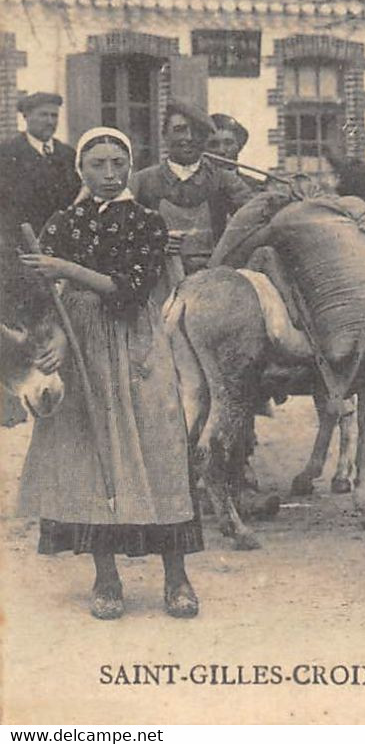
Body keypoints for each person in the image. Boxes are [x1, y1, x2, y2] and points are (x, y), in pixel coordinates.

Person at [17, 127, 203, 620]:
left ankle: (177, 578)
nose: (108, 174)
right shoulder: (63, 222)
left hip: (135, 347)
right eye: (96, 164)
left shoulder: (147, 222)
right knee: (91, 458)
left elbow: (128, 291)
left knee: (155, 452)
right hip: (79, 356)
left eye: (117, 164)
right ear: (80, 169)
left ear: (129, 165)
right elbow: (49, 296)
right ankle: (106, 577)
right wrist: (55, 338)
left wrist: (64, 267)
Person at [129, 103, 254, 274]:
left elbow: (254, 218)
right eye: (180, 129)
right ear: (165, 135)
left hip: (212, 277)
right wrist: (154, 241)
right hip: (156, 277)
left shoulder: (224, 180)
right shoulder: (142, 181)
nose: (188, 137)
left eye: (197, 131)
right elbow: (118, 230)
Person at [0, 92, 81, 237]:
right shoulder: (7, 153)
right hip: (21, 241)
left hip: (63, 239)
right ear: (26, 116)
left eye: (54, 116)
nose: (50, 122)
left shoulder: (68, 154)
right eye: (43, 115)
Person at [205, 114, 264, 193]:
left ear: (239, 146)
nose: (221, 151)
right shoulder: (192, 189)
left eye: (228, 143)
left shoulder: (255, 187)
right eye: (213, 145)